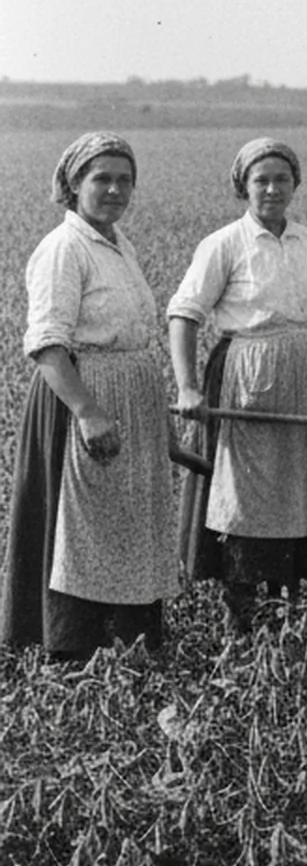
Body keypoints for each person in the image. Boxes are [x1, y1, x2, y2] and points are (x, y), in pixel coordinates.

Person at [168, 138, 307, 633]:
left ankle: (288, 610)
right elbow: (184, 315)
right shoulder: (224, 243)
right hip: (248, 377)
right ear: (242, 186)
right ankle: (243, 616)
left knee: (301, 491)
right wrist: (188, 387)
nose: (272, 189)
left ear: (295, 184)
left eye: (282, 179)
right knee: (249, 497)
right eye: (261, 180)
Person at [1, 133, 178, 660]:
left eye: (125, 180)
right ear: (74, 184)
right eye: (101, 178)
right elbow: (47, 345)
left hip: (129, 394)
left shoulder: (118, 243)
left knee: (127, 519)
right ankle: (75, 649)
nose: (115, 189)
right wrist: (88, 411)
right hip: (83, 396)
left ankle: (130, 644)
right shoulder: (63, 249)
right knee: (82, 527)